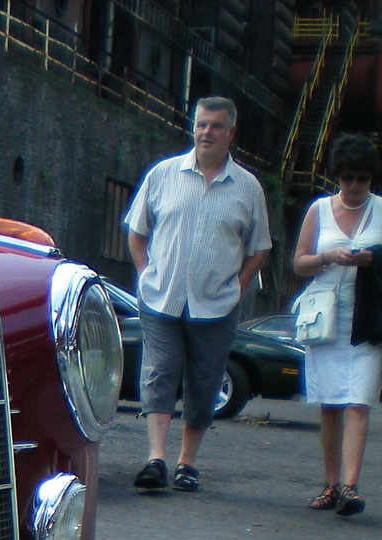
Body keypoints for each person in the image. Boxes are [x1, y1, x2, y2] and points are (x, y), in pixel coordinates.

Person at [124, 96, 272, 492]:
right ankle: (155, 459)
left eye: (216, 126)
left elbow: (260, 248)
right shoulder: (163, 174)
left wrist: (238, 287)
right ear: (193, 128)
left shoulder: (248, 188)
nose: (207, 133)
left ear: (231, 133)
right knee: (159, 372)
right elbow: (137, 231)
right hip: (161, 297)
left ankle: (187, 463)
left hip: (216, 303)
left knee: (204, 382)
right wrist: (145, 273)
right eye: (201, 125)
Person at [290, 133, 381, 517]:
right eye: (347, 178)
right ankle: (330, 484)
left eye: (362, 178)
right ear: (336, 177)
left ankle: (350, 486)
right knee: (330, 404)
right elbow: (298, 263)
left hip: (368, 318)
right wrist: (327, 256)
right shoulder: (319, 210)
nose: (355, 186)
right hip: (325, 313)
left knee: (359, 402)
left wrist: (371, 261)